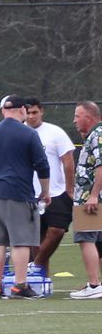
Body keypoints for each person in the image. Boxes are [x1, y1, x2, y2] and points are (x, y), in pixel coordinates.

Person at [0, 94, 51, 299]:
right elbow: (42, 165)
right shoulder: (28, 134)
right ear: (22, 111)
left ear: (4, 111)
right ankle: (20, 285)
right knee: (20, 241)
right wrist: (45, 192)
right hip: (17, 192)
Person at [24, 98, 77, 277]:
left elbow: (68, 162)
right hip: (28, 193)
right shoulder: (19, 132)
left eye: (34, 112)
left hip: (56, 192)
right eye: (28, 113)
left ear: (41, 111)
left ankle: (35, 266)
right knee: (35, 239)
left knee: (57, 231)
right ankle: (40, 281)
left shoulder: (55, 132)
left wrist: (69, 188)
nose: (31, 117)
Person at [69, 101, 102, 300]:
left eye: (77, 115)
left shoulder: (97, 135)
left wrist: (93, 194)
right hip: (91, 197)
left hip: (89, 199)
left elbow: (101, 166)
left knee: (86, 238)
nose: (74, 120)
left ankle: (93, 284)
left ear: (88, 117)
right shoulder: (94, 135)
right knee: (98, 242)